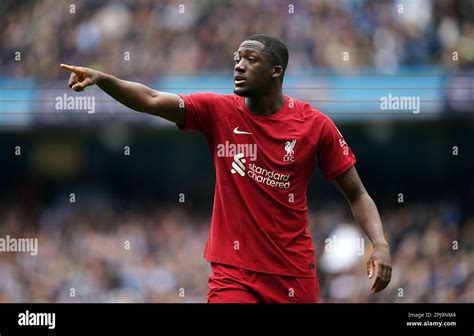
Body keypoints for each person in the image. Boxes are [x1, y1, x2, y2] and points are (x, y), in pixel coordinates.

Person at [61, 34, 392, 303]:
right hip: (233, 272)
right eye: (237, 58)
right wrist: (102, 79)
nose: (239, 65)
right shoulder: (216, 111)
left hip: (292, 273)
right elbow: (150, 98)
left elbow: (357, 193)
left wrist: (380, 244)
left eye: (251, 59)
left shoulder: (315, 126)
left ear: (276, 71)